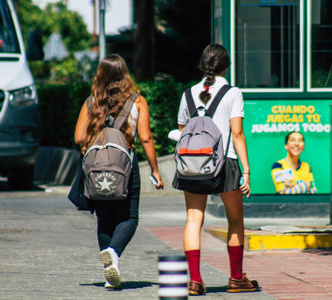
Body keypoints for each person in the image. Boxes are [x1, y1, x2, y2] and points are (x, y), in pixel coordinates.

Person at [173, 44, 259, 295]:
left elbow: (181, 131)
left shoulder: (188, 93)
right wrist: (247, 170)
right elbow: (237, 133)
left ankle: (195, 280)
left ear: (203, 65)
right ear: (226, 66)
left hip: (193, 163)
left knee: (193, 218)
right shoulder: (233, 93)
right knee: (235, 220)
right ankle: (235, 278)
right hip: (227, 162)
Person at [74, 54, 164, 289]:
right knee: (129, 217)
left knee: (104, 218)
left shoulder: (92, 101)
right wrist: (155, 170)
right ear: (124, 74)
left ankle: (109, 273)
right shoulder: (137, 101)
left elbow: (79, 137)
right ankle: (113, 254)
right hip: (126, 166)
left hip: (96, 167)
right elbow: (145, 137)